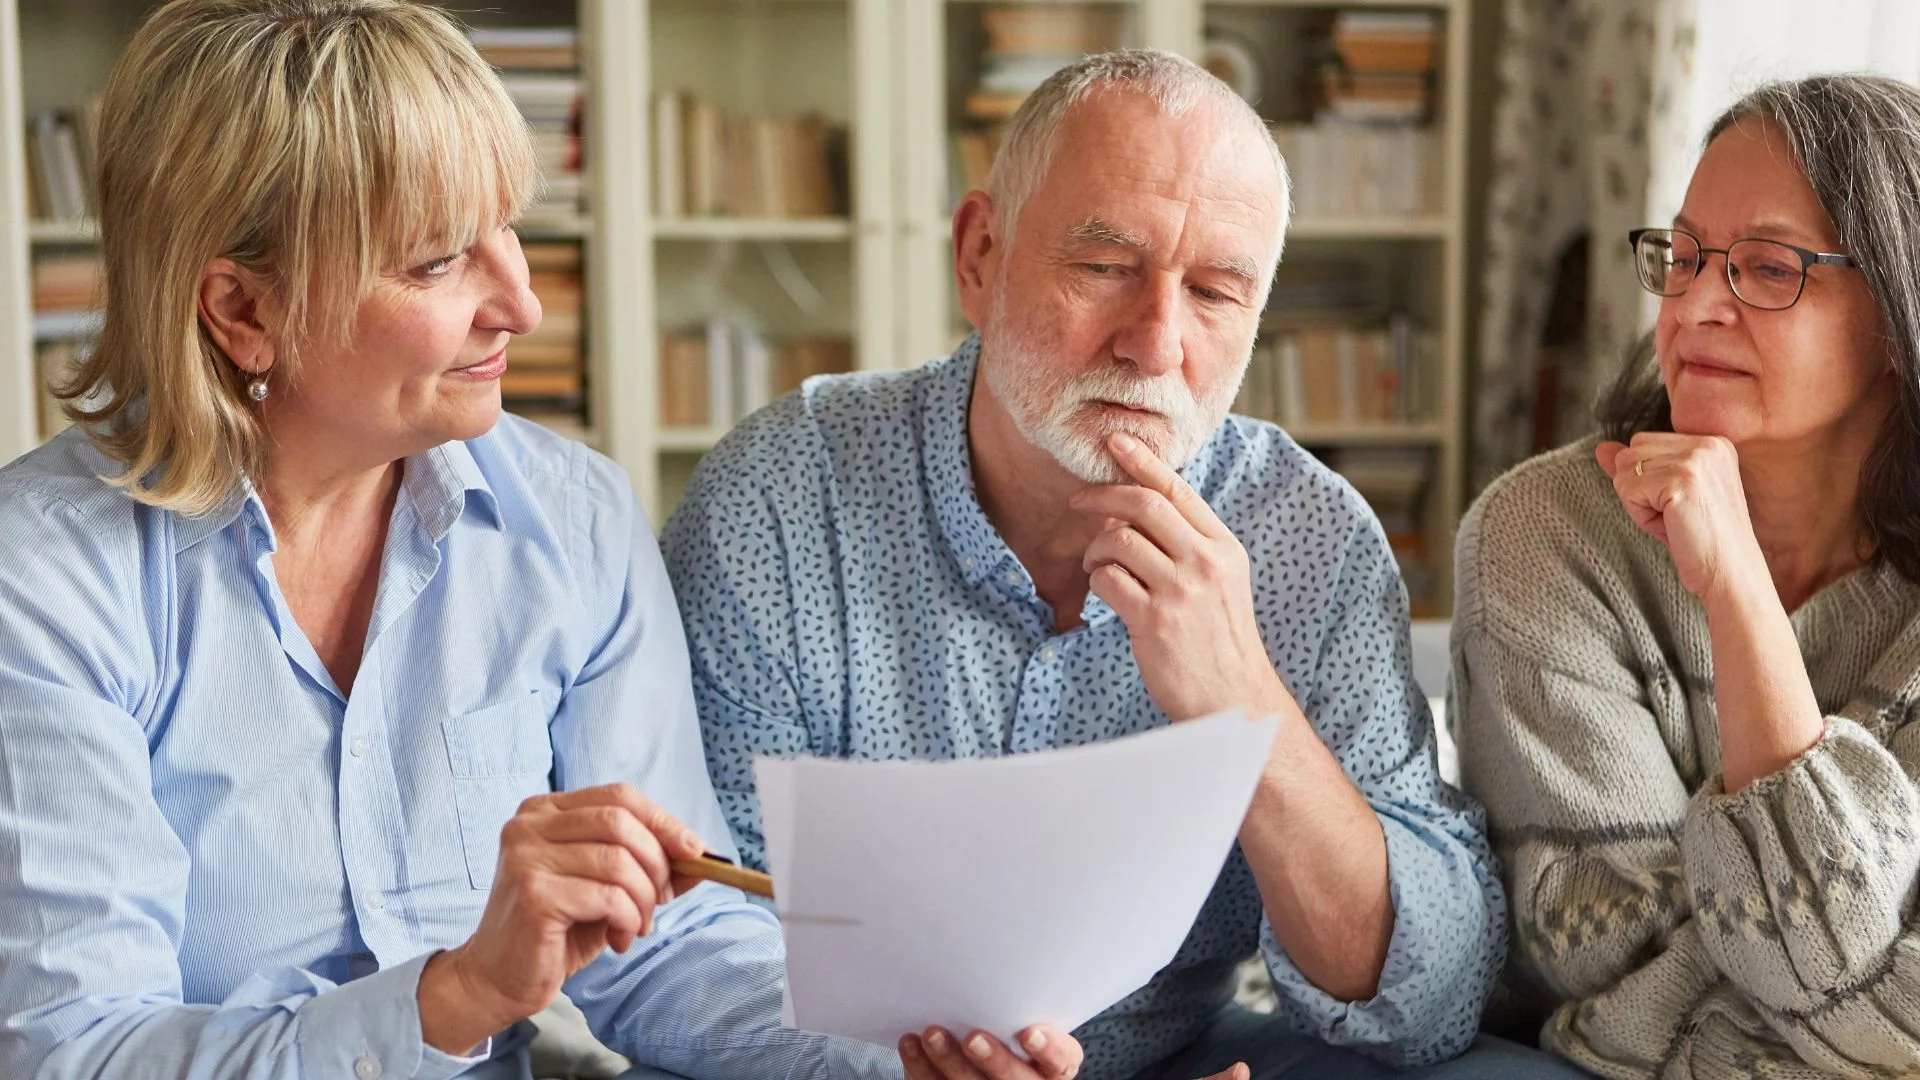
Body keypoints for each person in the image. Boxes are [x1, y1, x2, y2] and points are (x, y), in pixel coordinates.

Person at [0, 3, 1091, 1078]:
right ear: (242, 311)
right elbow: (78, 1050)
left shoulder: (574, 519)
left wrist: (905, 1060)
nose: (519, 302)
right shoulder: (44, 579)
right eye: (436, 263)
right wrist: (457, 996)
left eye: (509, 230)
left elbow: (671, 948)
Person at [663, 50, 1577, 1080]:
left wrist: (1245, 705)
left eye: (1218, 293)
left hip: (1177, 1056)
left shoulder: (1311, 539)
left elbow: (1435, 994)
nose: (1155, 343)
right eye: (1104, 269)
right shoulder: (780, 497)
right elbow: (694, 921)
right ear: (979, 256)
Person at [1454, 74, 1920, 1078]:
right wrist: (1737, 591)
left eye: (1764, 267)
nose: (1696, 302)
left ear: (1897, 312)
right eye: (1686, 255)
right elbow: (1597, 956)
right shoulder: (1544, 536)